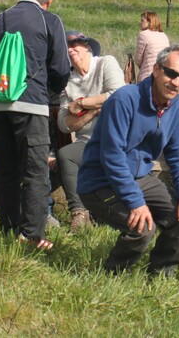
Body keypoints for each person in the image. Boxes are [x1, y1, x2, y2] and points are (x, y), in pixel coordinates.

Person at [77, 45, 179, 276]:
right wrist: (135, 202)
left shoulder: (176, 108)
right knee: (143, 226)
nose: (176, 82)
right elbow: (112, 157)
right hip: (99, 180)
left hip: (139, 177)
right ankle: (113, 276)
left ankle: (162, 275)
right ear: (156, 69)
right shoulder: (124, 99)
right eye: (171, 74)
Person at [0, 0, 71, 250]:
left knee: (6, 168)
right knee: (34, 170)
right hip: (30, 104)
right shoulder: (50, 20)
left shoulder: (0, 18)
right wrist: (49, 92)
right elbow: (60, 69)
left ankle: (7, 228)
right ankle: (32, 235)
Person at [57, 31, 125, 232]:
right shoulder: (67, 82)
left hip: (114, 136)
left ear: (87, 46)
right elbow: (64, 123)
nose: (71, 49)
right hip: (86, 139)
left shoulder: (106, 63)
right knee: (65, 155)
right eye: (66, 46)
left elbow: (118, 93)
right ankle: (79, 213)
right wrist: (93, 111)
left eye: (76, 44)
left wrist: (81, 104)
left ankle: (109, 213)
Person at [135, 11, 170, 82]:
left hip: (147, 75)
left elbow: (138, 59)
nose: (140, 23)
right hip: (162, 74)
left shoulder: (143, 35)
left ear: (149, 22)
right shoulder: (164, 35)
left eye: (142, 20)